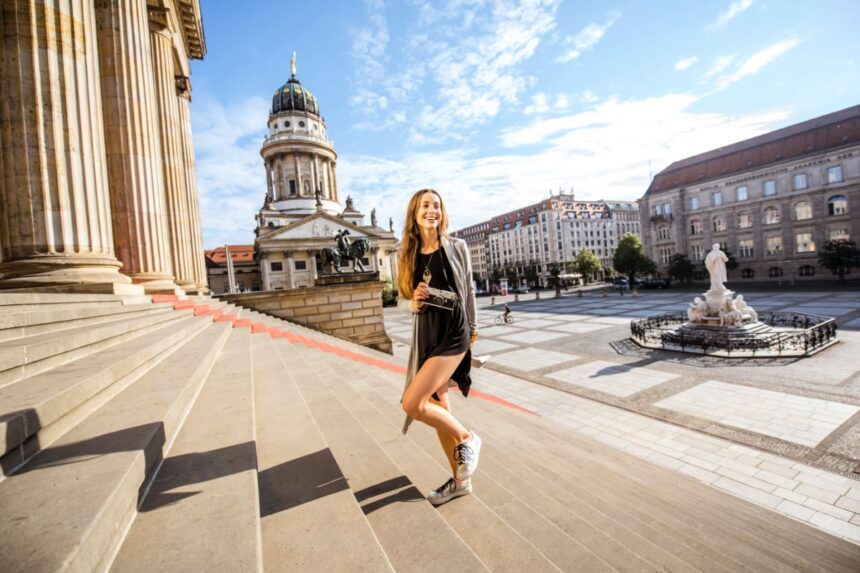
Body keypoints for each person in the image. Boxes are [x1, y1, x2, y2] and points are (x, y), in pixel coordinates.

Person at [397, 188, 481, 506]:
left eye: (436, 205)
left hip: (454, 329)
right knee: (439, 410)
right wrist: (413, 303)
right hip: (428, 333)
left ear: (442, 212)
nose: (431, 210)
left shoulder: (456, 246)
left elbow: (469, 290)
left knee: (412, 403)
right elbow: (401, 300)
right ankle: (461, 481)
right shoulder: (406, 254)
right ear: (414, 213)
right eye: (425, 206)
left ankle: (467, 438)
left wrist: (473, 329)